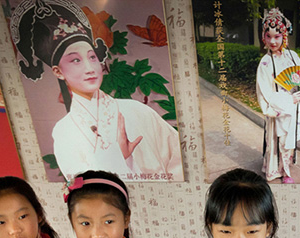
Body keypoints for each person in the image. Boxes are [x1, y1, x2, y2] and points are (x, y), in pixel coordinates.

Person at [9, 0, 182, 181]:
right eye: (75, 60)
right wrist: (121, 159)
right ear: (58, 72)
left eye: (92, 57)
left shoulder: (137, 110)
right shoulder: (64, 131)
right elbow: (85, 190)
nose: (89, 68)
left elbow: (177, 159)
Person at [255, 8, 300, 183]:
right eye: (269, 36)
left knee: (289, 139)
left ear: (284, 35)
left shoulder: (293, 56)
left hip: (293, 105)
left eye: (277, 36)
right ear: (264, 37)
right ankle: (280, 171)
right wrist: (286, 100)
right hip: (280, 106)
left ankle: (287, 166)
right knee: (278, 140)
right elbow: (265, 92)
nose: (273, 41)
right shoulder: (266, 62)